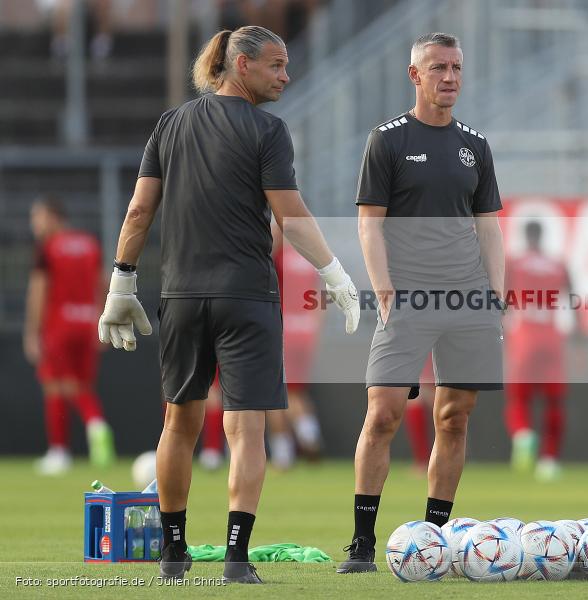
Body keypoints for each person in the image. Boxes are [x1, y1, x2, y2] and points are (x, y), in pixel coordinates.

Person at [97, 26, 359, 583]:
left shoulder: (169, 124)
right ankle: (236, 561)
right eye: (276, 65)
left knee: (178, 424)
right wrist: (334, 271)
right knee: (246, 430)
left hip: (182, 296)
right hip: (246, 296)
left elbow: (139, 212)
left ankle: (173, 555)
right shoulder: (268, 129)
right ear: (241, 65)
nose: (286, 76)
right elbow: (289, 213)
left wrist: (120, 282)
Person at [338, 32, 504, 573]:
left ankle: (435, 539)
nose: (449, 77)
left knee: (454, 418)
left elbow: (488, 228)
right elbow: (369, 224)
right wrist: (384, 288)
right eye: (438, 67)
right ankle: (362, 543)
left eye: (456, 66)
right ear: (415, 75)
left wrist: (496, 295)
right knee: (383, 413)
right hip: (407, 297)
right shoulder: (386, 140)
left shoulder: (474, 144)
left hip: (467, 299)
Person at [25, 196, 116, 475]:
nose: (34, 225)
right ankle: (95, 422)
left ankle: (62, 448)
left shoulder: (48, 248)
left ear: (53, 217)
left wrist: (32, 331)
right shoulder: (90, 244)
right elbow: (102, 282)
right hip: (88, 322)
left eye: (38, 217)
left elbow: (39, 289)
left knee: (54, 384)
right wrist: (102, 320)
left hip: (58, 325)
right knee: (81, 385)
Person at [504, 221, 578, 482]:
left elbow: (500, 300)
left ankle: (523, 433)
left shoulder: (514, 263)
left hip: (524, 335)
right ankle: (549, 461)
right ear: (542, 235)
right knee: (554, 402)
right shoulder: (558, 264)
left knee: (519, 399)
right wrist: (579, 336)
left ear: (525, 236)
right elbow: (573, 299)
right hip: (551, 336)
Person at [268, 231, 325, 469]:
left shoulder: (278, 257)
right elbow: (321, 298)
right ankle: (309, 434)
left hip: (280, 332)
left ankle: (284, 455)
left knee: (272, 394)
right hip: (305, 334)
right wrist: (314, 330)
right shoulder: (310, 260)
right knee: (296, 392)